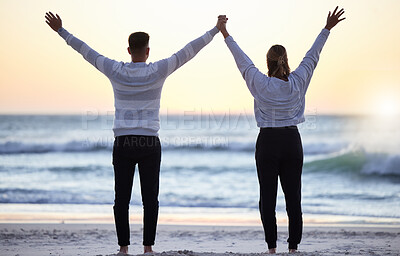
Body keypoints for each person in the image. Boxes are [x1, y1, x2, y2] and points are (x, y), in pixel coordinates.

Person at [45, 12, 227, 255]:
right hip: (150, 142)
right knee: (150, 198)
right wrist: (215, 30)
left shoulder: (116, 70)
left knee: (121, 198)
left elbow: (86, 51)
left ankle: (123, 248)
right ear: (147, 51)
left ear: (129, 50)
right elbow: (188, 51)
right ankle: (148, 248)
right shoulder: (158, 70)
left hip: (123, 142)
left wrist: (61, 31)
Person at [217, 7, 345, 254]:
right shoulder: (298, 82)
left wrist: (225, 33)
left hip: (267, 142)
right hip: (291, 141)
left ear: (267, 62)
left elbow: (241, 59)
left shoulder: (259, 83)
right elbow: (313, 55)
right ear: (287, 61)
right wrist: (326, 28)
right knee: (293, 198)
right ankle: (293, 248)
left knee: (268, 198)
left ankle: (272, 249)